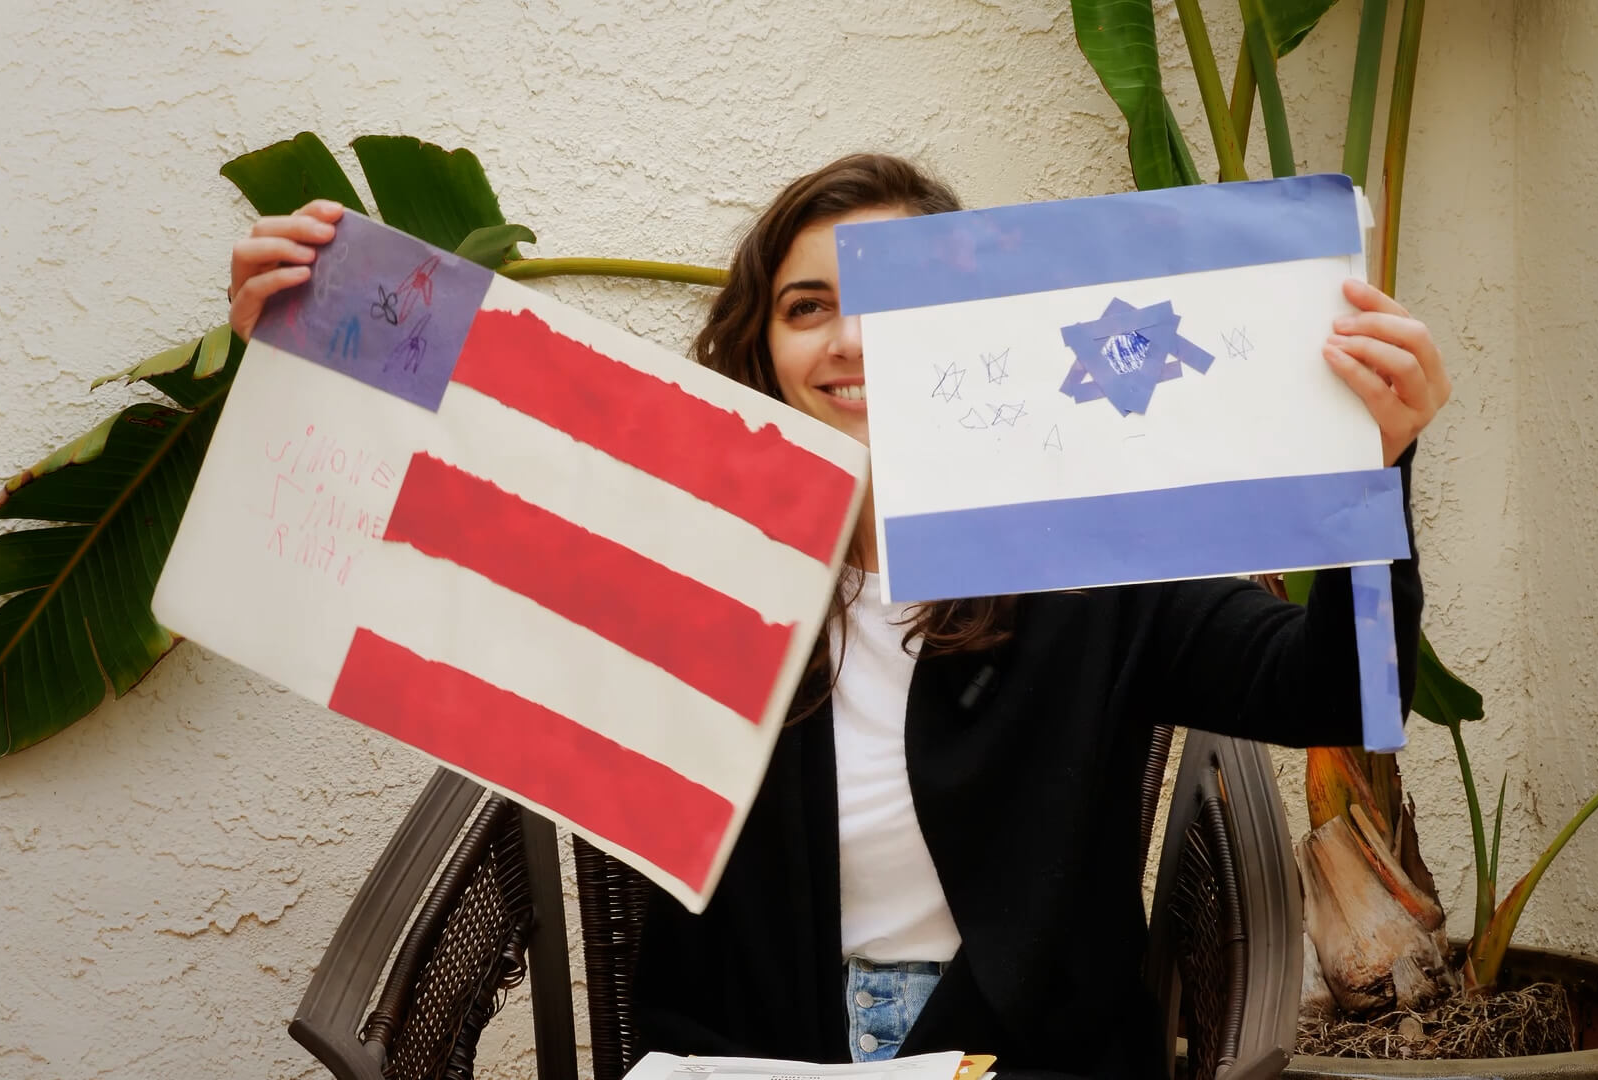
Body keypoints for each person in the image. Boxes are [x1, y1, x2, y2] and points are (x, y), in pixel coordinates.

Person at [227, 154, 1450, 1080]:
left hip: (1027, 1054)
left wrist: (1372, 470)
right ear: (761, 348)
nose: (851, 340)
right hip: (753, 1057)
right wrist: (298, 350)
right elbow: (419, 552)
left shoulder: (1092, 560)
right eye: (807, 306)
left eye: (893, 304)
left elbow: (1338, 693)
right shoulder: (676, 557)